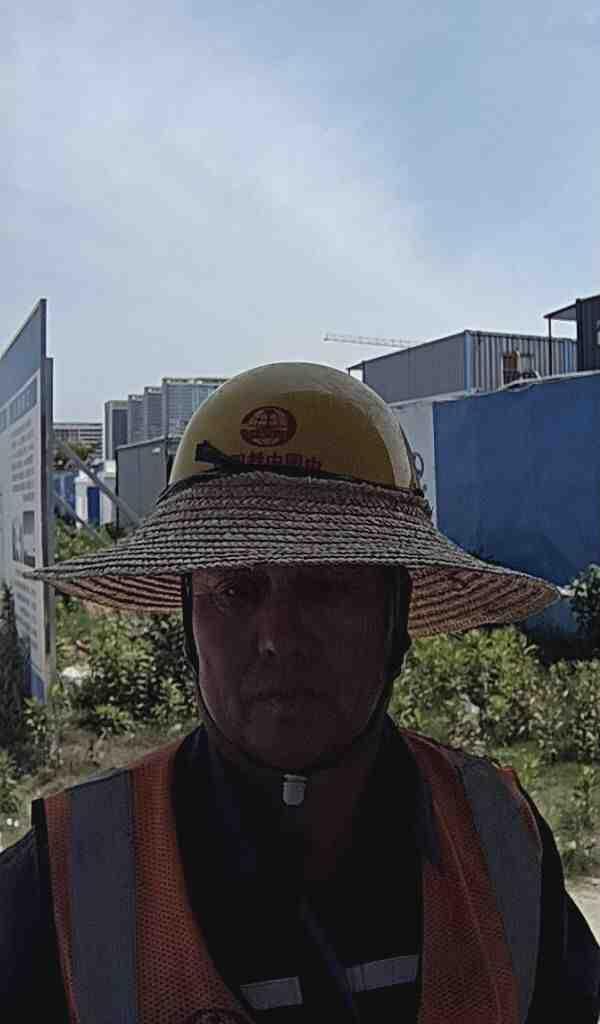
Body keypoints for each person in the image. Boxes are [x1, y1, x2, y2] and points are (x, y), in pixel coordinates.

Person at [1, 362, 599, 1023]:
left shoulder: (501, 838)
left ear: (396, 620)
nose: (279, 638)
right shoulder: (64, 881)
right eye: (236, 589)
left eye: (329, 586)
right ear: (189, 620)